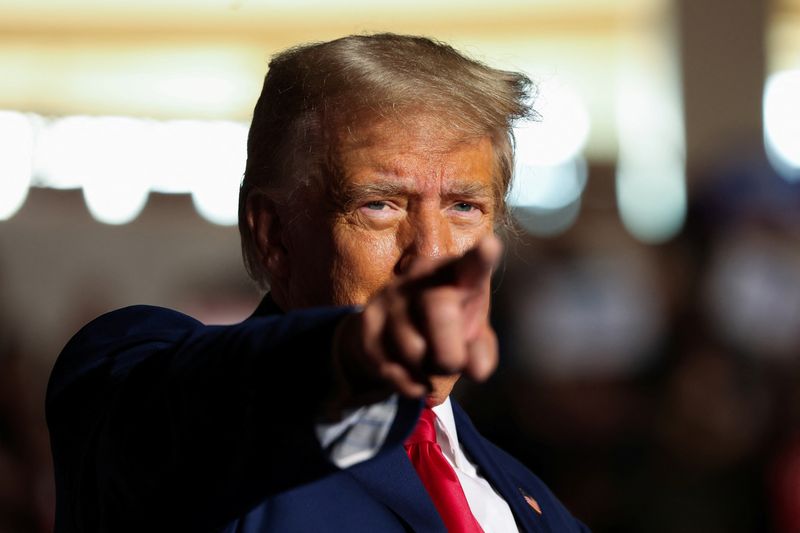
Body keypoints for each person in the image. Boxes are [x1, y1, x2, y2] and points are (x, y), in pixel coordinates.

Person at [47, 33, 590, 532]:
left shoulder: (538, 505)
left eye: (465, 207)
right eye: (379, 205)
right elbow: (193, 408)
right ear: (274, 235)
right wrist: (361, 356)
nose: (431, 255)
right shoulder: (157, 402)